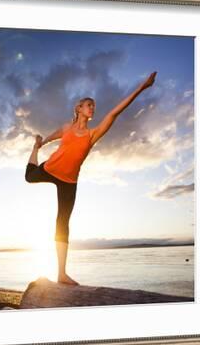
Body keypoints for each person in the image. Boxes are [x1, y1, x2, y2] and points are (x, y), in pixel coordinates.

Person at [25, 71, 157, 285]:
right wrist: (40, 143)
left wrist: (141, 88)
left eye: (94, 105)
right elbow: (54, 135)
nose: (92, 107)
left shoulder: (93, 134)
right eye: (88, 104)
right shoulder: (67, 127)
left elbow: (115, 112)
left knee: (62, 222)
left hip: (69, 181)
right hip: (50, 168)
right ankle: (33, 151)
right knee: (29, 176)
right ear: (78, 108)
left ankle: (61, 273)